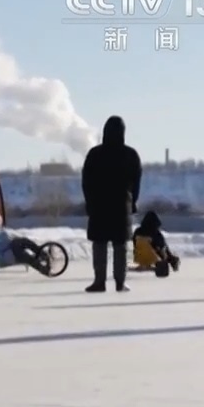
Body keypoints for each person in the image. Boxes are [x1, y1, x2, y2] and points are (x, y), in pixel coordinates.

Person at [81, 115, 142, 292]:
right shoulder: (130, 155)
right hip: (121, 206)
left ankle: (99, 281)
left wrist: (89, 203)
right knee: (120, 246)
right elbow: (136, 183)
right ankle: (120, 282)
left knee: (99, 245)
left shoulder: (95, 154)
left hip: (99, 206)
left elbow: (86, 182)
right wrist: (132, 202)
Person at [132, 210, 181, 276]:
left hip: (139, 257)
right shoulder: (156, 233)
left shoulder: (137, 231)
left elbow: (134, 243)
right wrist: (167, 257)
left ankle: (143, 264)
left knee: (149, 245)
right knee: (162, 247)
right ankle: (172, 260)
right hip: (153, 258)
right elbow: (162, 247)